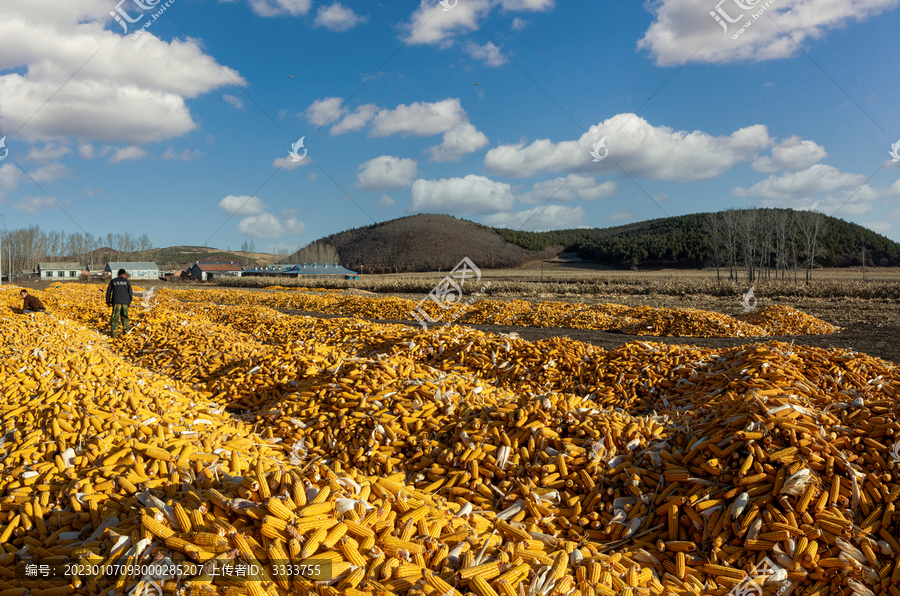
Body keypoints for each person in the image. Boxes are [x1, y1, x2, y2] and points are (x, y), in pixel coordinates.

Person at [106, 269, 133, 337]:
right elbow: (130, 293)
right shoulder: (127, 282)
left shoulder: (113, 281)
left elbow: (108, 292)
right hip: (125, 303)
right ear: (124, 275)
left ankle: (114, 334)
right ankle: (126, 332)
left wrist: (108, 301)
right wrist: (129, 302)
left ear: (118, 274)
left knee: (115, 318)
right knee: (125, 317)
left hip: (116, 302)